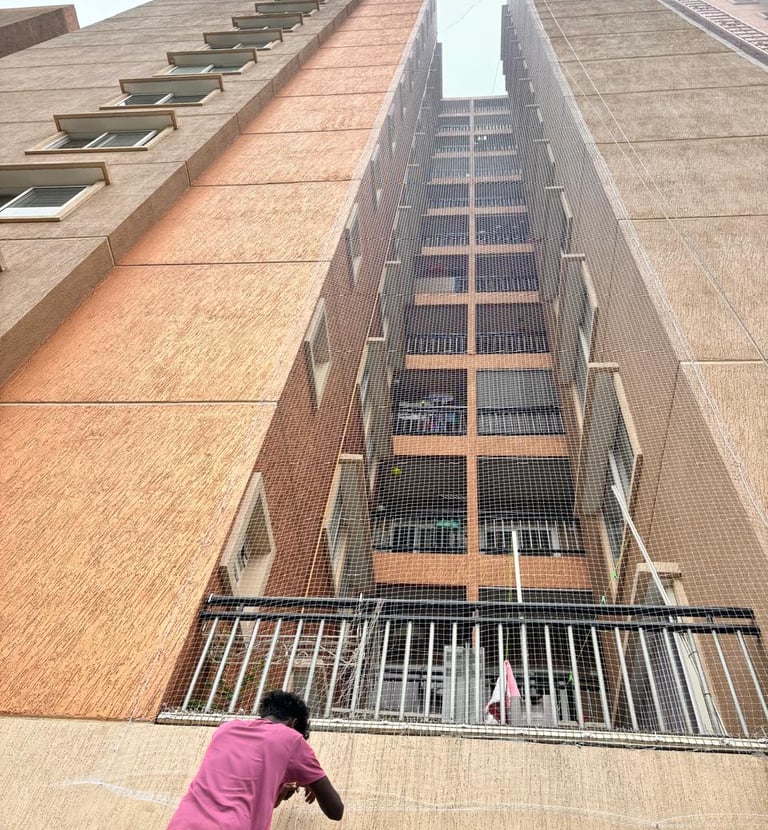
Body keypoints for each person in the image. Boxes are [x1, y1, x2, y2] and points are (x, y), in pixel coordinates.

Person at [167, 690, 344, 830]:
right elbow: (336, 811)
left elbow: (249, 798)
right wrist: (313, 783)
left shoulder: (226, 729)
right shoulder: (292, 739)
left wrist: (281, 789)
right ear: (292, 723)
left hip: (182, 823)